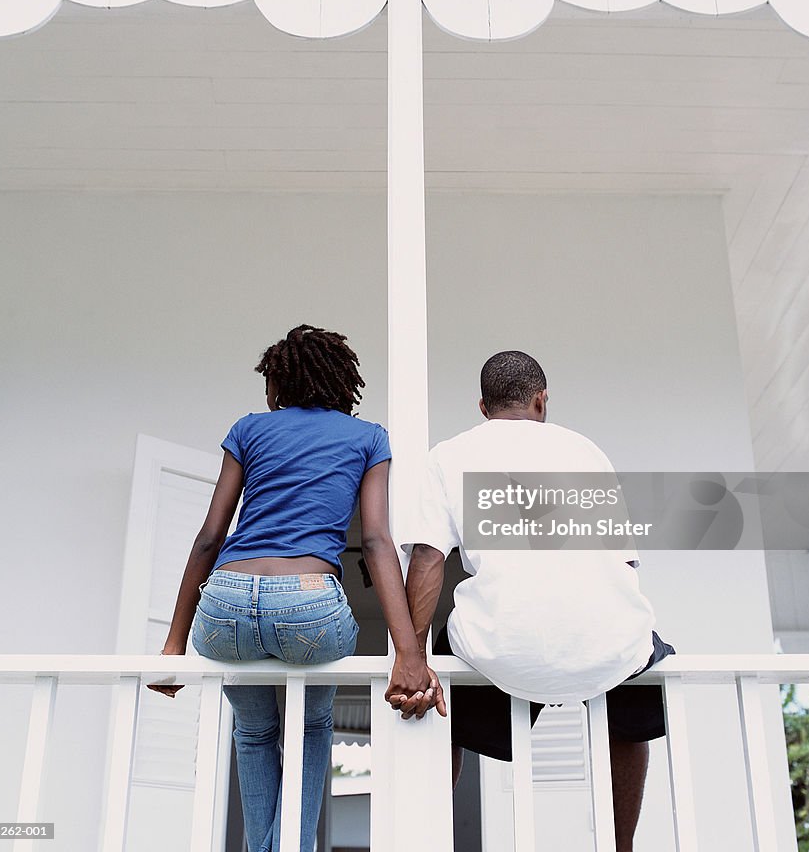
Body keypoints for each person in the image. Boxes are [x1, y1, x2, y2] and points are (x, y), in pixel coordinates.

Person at [150, 325, 434, 852]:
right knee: (308, 729)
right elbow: (375, 541)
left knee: (254, 733)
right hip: (308, 604)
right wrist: (409, 653)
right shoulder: (368, 437)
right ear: (340, 384)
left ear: (278, 384)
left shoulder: (249, 429)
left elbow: (211, 537)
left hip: (226, 603)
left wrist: (173, 648)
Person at [395, 350, 674, 852]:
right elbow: (625, 563)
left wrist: (412, 658)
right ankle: (621, 845)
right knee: (634, 690)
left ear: (484, 406)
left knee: (439, 690)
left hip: (504, 649)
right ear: (542, 400)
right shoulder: (586, 451)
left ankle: (429, 837)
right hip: (608, 645)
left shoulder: (449, 454)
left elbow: (427, 561)